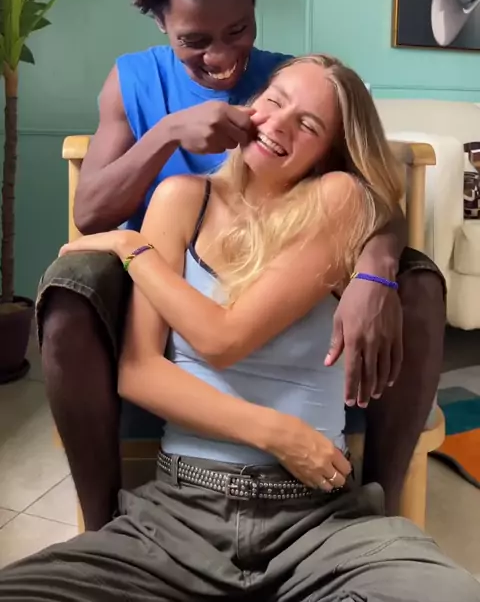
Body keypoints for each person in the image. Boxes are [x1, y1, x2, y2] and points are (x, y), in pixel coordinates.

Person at [36, 0, 445, 531]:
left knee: (414, 282)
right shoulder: (134, 81)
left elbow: (366, 186)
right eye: (194, 40)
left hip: (286, 278)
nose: (223, 59)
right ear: (161, 24)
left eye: (239, 31)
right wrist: (169, 133)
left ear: (255, 5)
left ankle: (381, 505)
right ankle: (104, 521)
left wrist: (376, 268)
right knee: (66, 296)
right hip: (163, 282)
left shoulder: (292, 83)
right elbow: (91, 213)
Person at [1, 56, 475, 602]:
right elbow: (138, 372)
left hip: (318, 521)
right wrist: (277, 433)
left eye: (308, 124)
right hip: (177, 514)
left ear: (329, 152)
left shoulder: (338, 197)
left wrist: (133, 250)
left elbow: (223, 340)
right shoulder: (181, 198)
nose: (278, 124)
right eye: (274, 101)